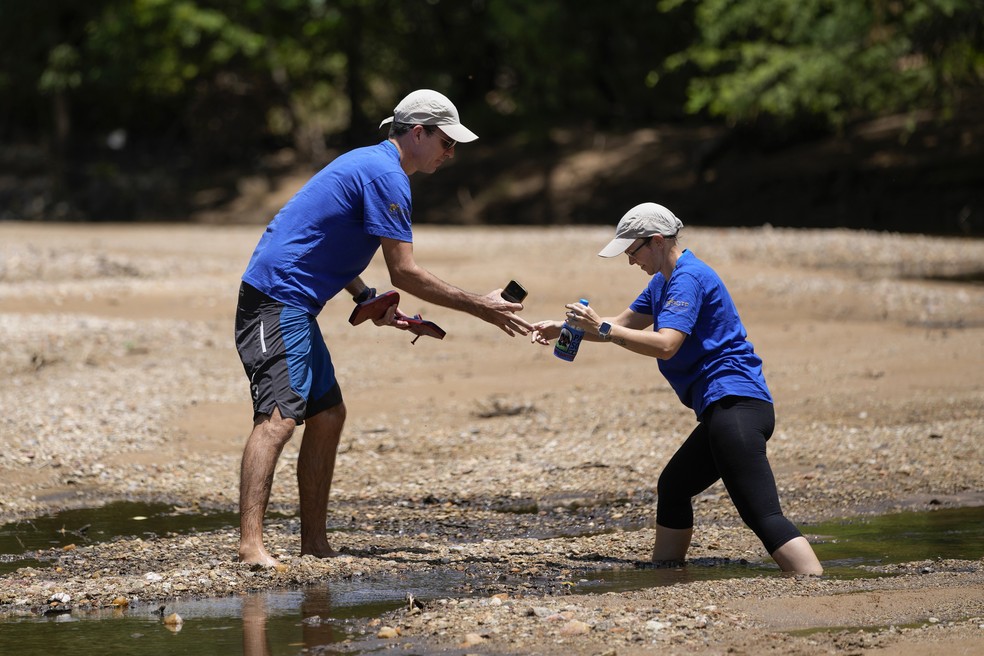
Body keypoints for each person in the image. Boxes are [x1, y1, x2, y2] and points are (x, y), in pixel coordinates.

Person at [234, 89, 533, 568]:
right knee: (278, 419)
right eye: (446, 142)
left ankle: (314, 542)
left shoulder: (371, 164)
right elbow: (405, 271)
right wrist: (480, 305)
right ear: (418, 133)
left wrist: (364, 297)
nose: (451, 153)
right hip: (274, 301)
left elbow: (319, 233)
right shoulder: (387, 175)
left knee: (328, 413)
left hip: (294, 304)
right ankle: (251, 546)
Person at [530, 202, 823, 575]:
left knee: (762, 515)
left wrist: (601, 327)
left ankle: (817, 587)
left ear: (655, 241)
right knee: (674, 486)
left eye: (632, 252)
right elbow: (619, 325)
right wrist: (565, 329)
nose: (631, 262)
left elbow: (666, 343)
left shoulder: (688, 277)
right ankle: (667, 573)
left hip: (736, 406)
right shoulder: (663, 282)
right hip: (724, 410)